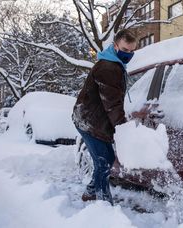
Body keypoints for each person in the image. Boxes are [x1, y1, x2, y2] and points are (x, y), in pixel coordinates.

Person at [72, 29, 137, 204]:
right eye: (125, 49)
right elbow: (112, 103)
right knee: (104, 162)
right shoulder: (108, 67)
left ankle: (91, 191)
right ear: (115, 46)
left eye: (132, 51)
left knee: (106, 160)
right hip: (89, 121)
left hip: (95, 119)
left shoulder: (114, 63)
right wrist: (123, 127)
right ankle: (103, 203)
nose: (128, 54)